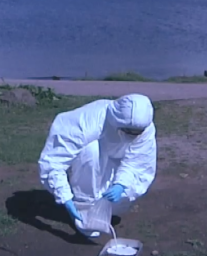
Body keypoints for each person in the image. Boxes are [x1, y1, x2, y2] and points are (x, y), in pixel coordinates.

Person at [38, 93, 157, 237]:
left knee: (117, 204)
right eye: (127, 131)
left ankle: (101, 207)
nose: (132, 135)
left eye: (136, 133)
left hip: (115, 161)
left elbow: (138, 161)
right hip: (90, 160)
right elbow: (54, 161)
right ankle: (83, 205)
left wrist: (121, 184)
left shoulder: (145, 128)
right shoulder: (87, 121)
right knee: (90, 150)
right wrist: (65, 196)